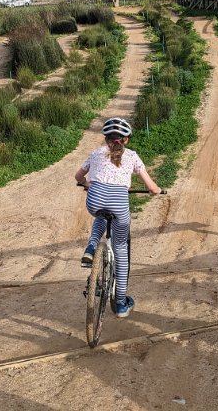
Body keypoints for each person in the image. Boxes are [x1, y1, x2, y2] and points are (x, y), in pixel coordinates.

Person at [74, 117, 162, 319]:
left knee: (101, 216)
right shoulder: (132, 156)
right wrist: (156, 191)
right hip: (119, 204)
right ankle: (121, 304)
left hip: (94, 201)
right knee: (120, 249)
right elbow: (151, 186)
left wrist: (87, 183)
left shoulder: (96, 153)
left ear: (106, 139)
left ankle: (91, 247)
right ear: (126, 140)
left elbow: (78, 177)